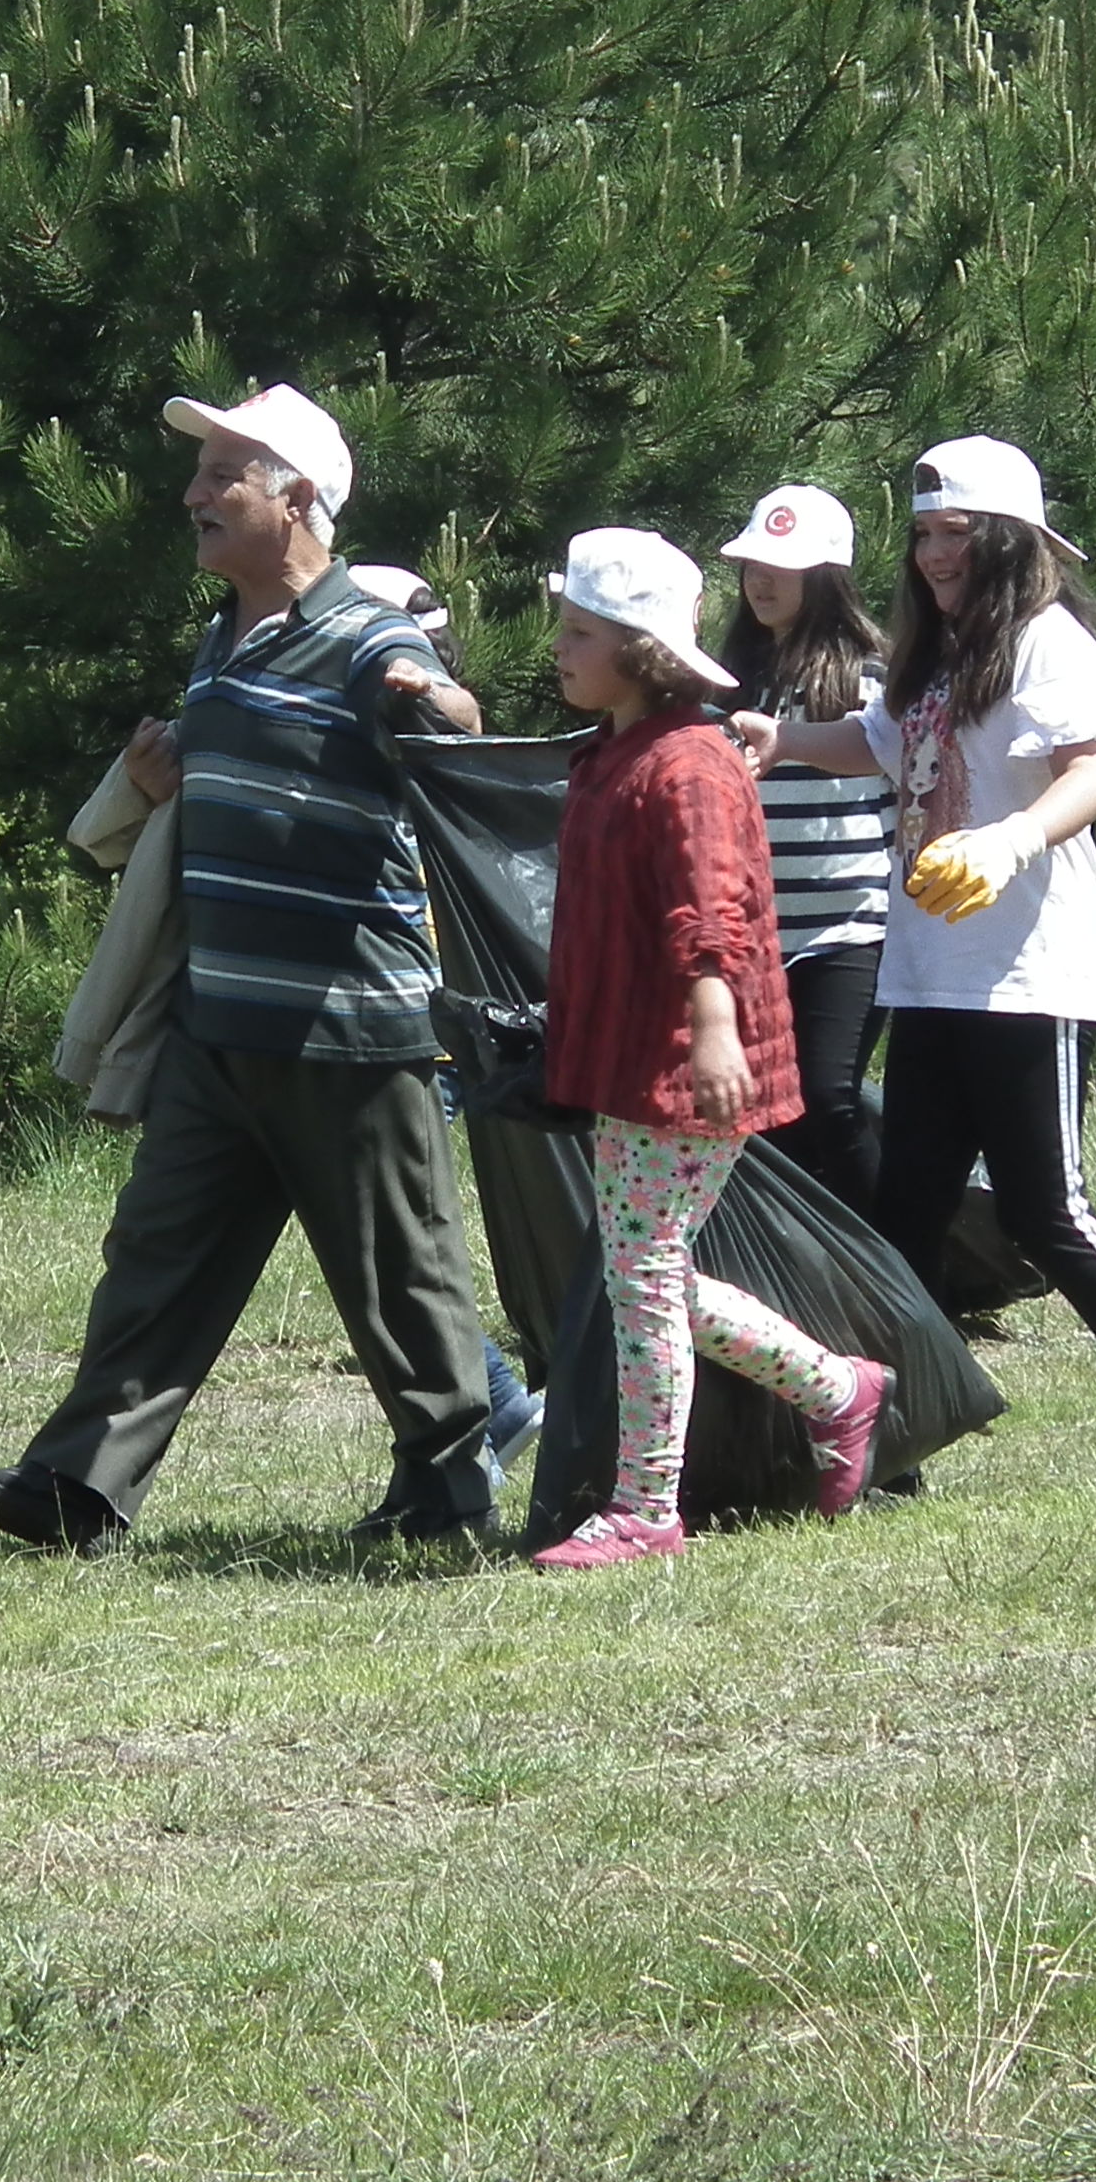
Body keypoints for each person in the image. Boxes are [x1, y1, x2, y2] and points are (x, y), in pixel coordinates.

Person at [0, 384, 500, 1552]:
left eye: (223, 476)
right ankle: (74, 1492)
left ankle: (449, 1494)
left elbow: (449, 715)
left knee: (403, 1278)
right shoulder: (224, 636)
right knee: (157, 1257)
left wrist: (437, 703)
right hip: (220, 1022)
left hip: (350, 1030)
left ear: (295, 499)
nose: (193, 494)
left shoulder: (365, 637)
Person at [734, 437, 1096, 1491]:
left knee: (1044, 1210)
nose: (931, 554)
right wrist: (777, 740)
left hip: (1027, 974)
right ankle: (899, 1444)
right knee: (906, 1214)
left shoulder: (1052, 643)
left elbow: (1088, 776)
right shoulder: (937, 653)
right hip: (925, 972)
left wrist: (1010, 841)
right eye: (920, 534)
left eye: (953, 533)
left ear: (1008, 539)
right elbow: (874, 743)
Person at [530, 529, 892, 1572]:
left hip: (685, 1058)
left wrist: (714, 1023)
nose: (560, 646)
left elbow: (715, 906)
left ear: (640, 650)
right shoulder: (614, 753)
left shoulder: (687, 764)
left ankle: (647, 1508)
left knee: (642, 1270)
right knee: (649, 1269)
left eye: (581, 631)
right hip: (634, 1049)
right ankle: (841, 1391)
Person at [345, 559, 542, 1476]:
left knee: (393, 1233)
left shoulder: (430, 731)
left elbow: (460, 719)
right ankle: (493, 1405)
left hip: (416, 1018)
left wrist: (422, 692)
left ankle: (489, 1413)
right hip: (380, 1014)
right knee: (383, 1230)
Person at [713, 483, 895, 1213]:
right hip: (755, 936)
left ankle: (905, 1273)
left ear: (826, 577)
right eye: (753, 563)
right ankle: (811, 1286)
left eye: (782, 567)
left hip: (851, 931)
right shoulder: (727, 680)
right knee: (768, 1118)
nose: (761, 579)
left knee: (828, 1096)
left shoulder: (874, 675)